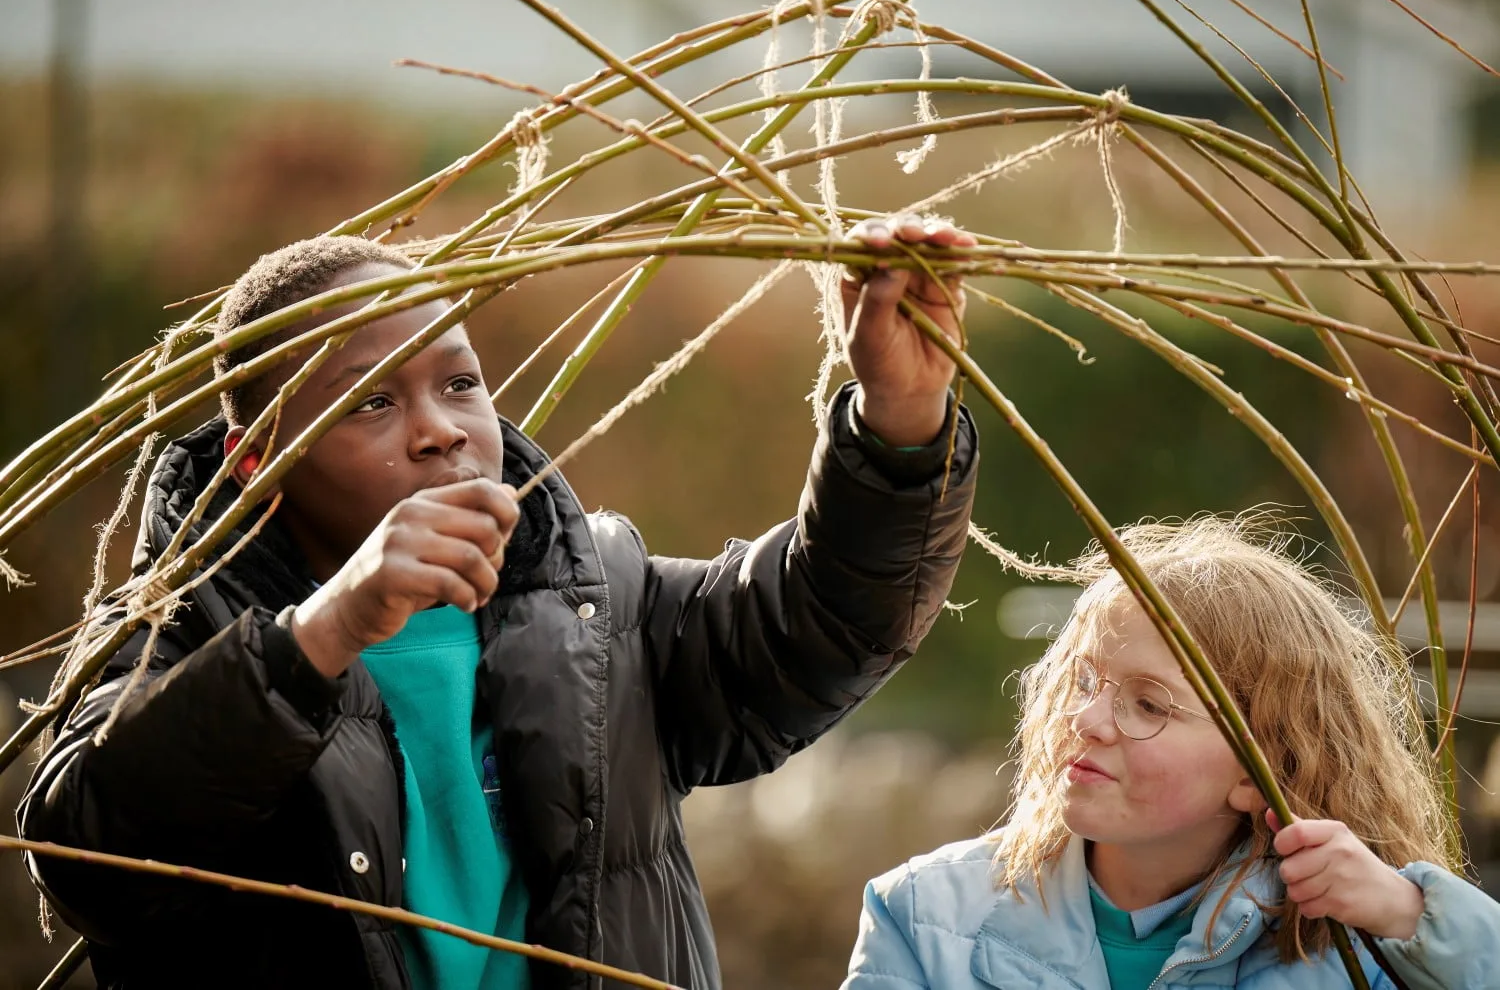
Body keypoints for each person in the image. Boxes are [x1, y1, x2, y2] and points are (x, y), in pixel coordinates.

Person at [18, 215, 980, 990]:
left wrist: (900, 420)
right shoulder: (171, 637)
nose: (441, 431)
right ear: (258, 462)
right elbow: (89, 850)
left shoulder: (601, 600)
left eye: (461, 383)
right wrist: (327, 629)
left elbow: (825, 622)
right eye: (373, 403)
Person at [842, 516, 1500, 990]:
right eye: (1083, 680)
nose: (1088, 718)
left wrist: (1415, 919)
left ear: (1258, 772)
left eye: (1150, 705)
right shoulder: (923, 917)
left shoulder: (1358, 951)